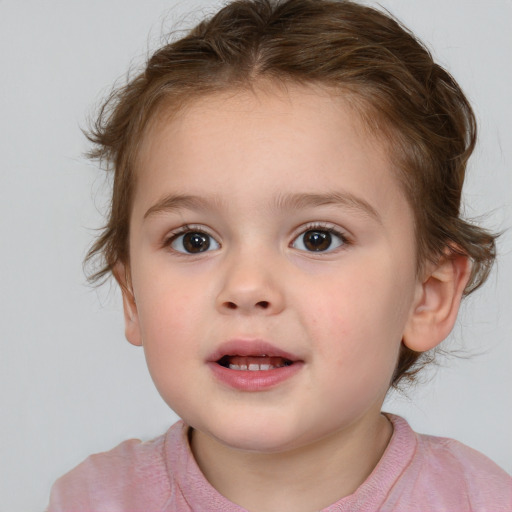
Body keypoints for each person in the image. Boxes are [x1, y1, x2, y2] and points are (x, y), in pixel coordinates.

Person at [47, 0, 511, 510]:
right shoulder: (91, 500)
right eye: (194, 240)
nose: (247, 288)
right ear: (132, 293)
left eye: (318, 238)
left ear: (428, 296)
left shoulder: (480, 501)